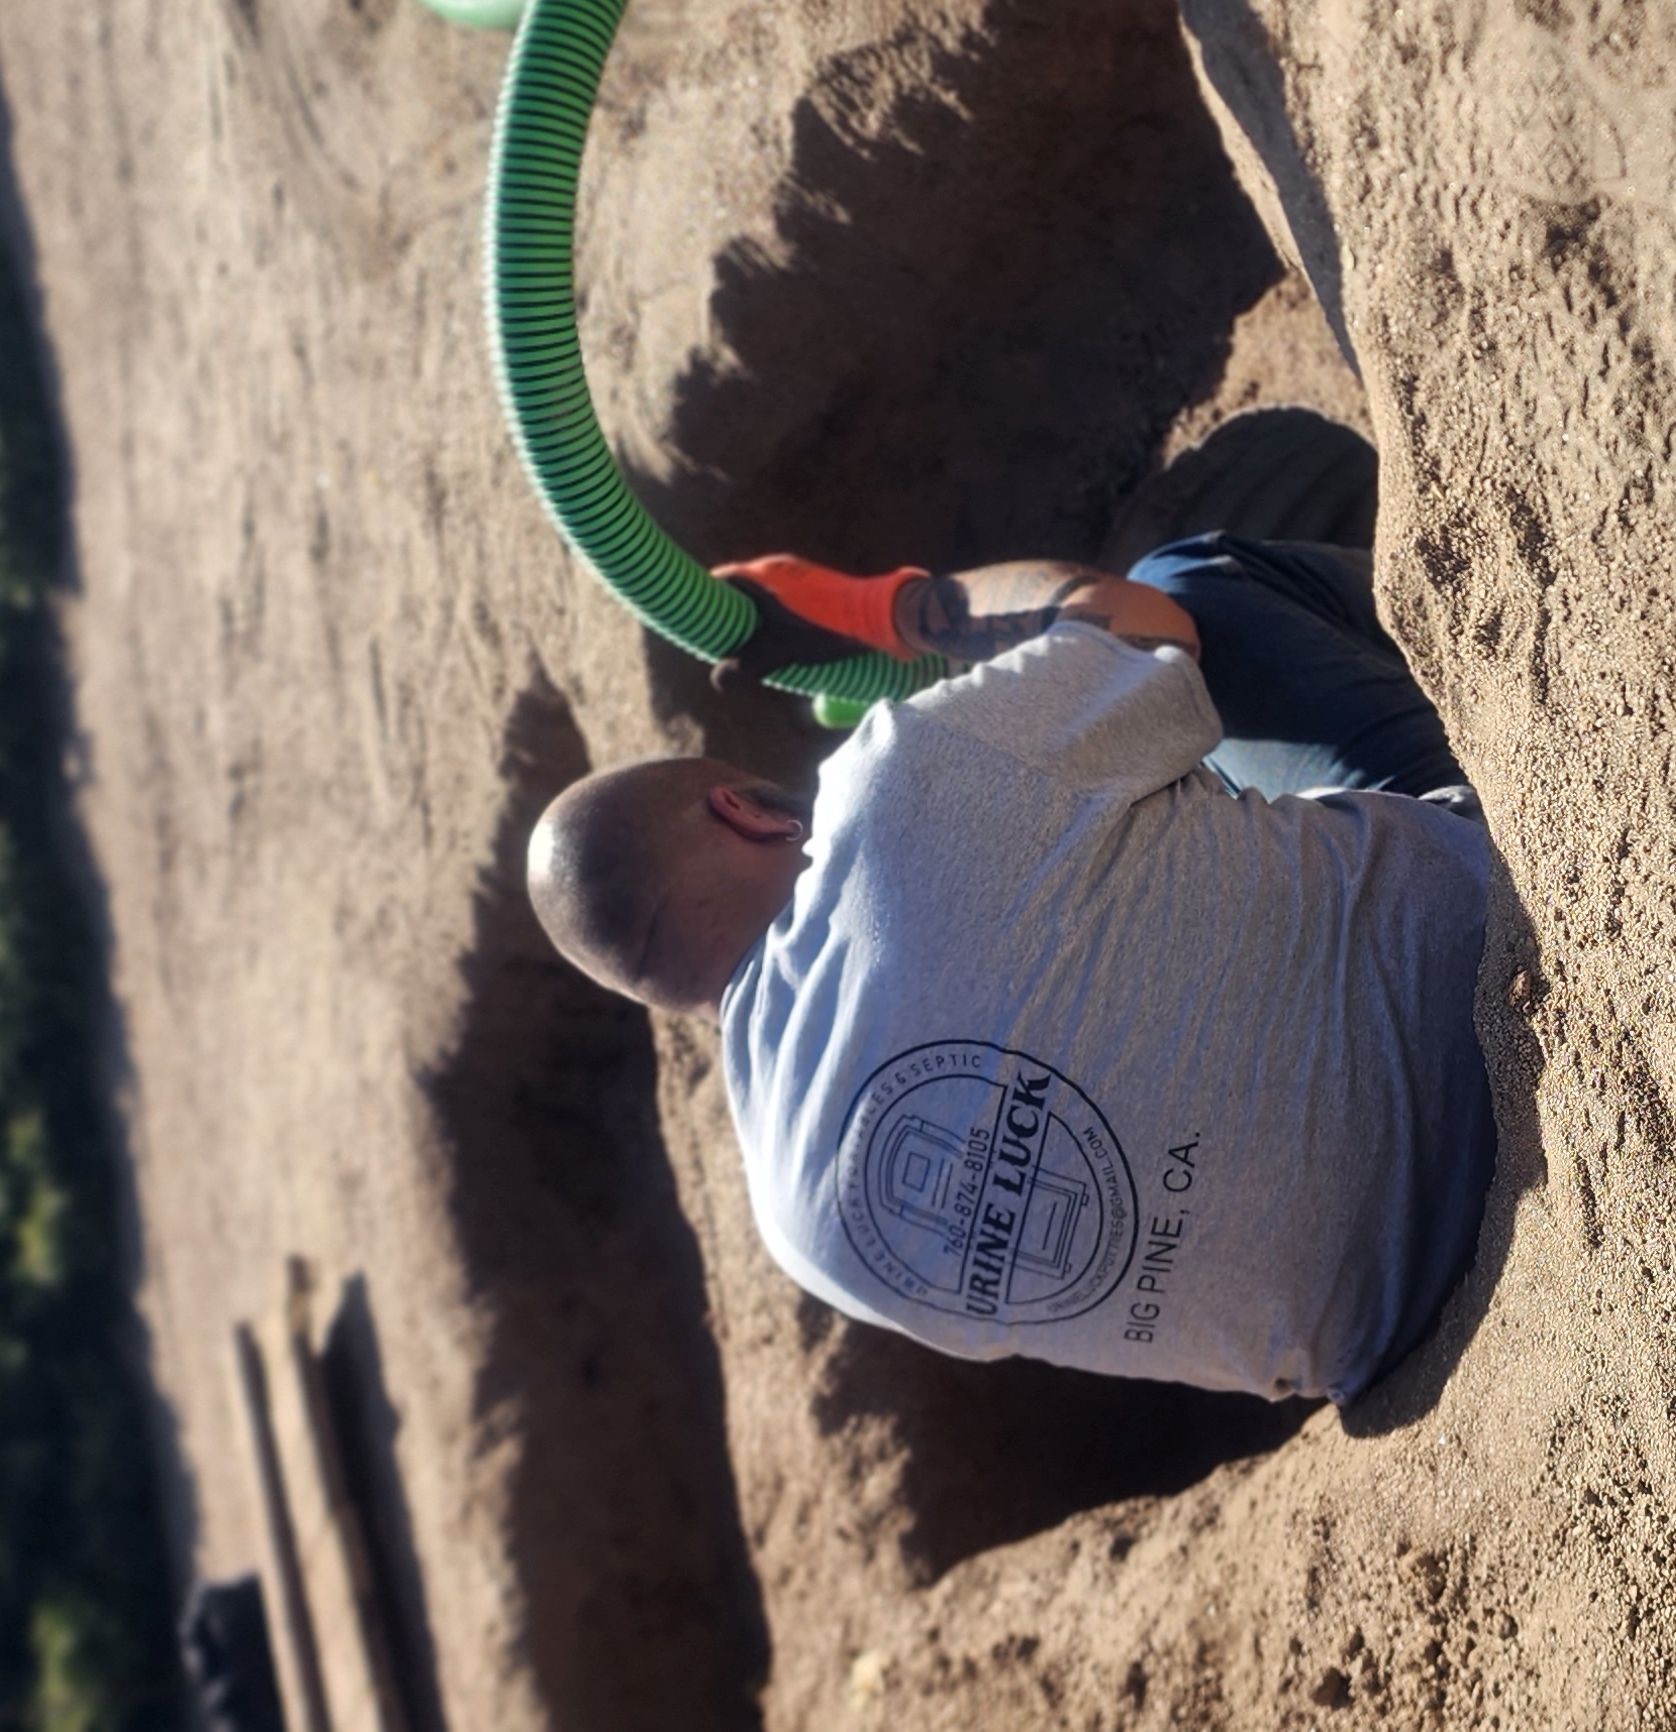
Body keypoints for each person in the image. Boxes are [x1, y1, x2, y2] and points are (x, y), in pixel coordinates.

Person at [525, 420, 1494, 1403]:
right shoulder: (890, 791)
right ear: (744, 807)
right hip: (1499, 988)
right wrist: (884, 611)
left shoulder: (799, 1227)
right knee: (1196, 581)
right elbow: (1148, 622)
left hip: (1402, 1334)